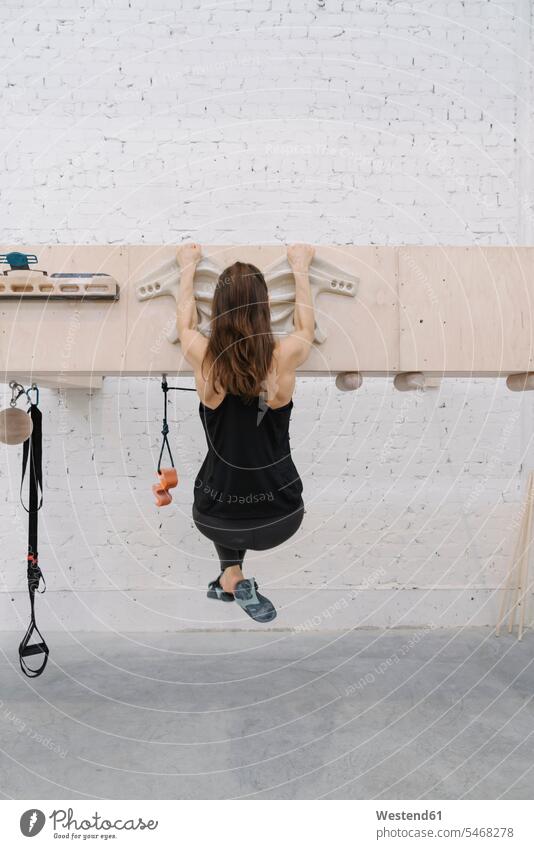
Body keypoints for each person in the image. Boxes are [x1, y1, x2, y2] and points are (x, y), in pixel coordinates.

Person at [176, 242, 315, 623]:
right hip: (282, 519)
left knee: (223, 487)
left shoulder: (206, 360)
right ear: (264, 308)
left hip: (213, 520)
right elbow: (307, 327)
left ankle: (231, 573)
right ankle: (230, 577)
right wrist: (299, 266)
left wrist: (187, 266)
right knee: (237, 489)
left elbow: (185, 325)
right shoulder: (282, 358)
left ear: (219, 309)